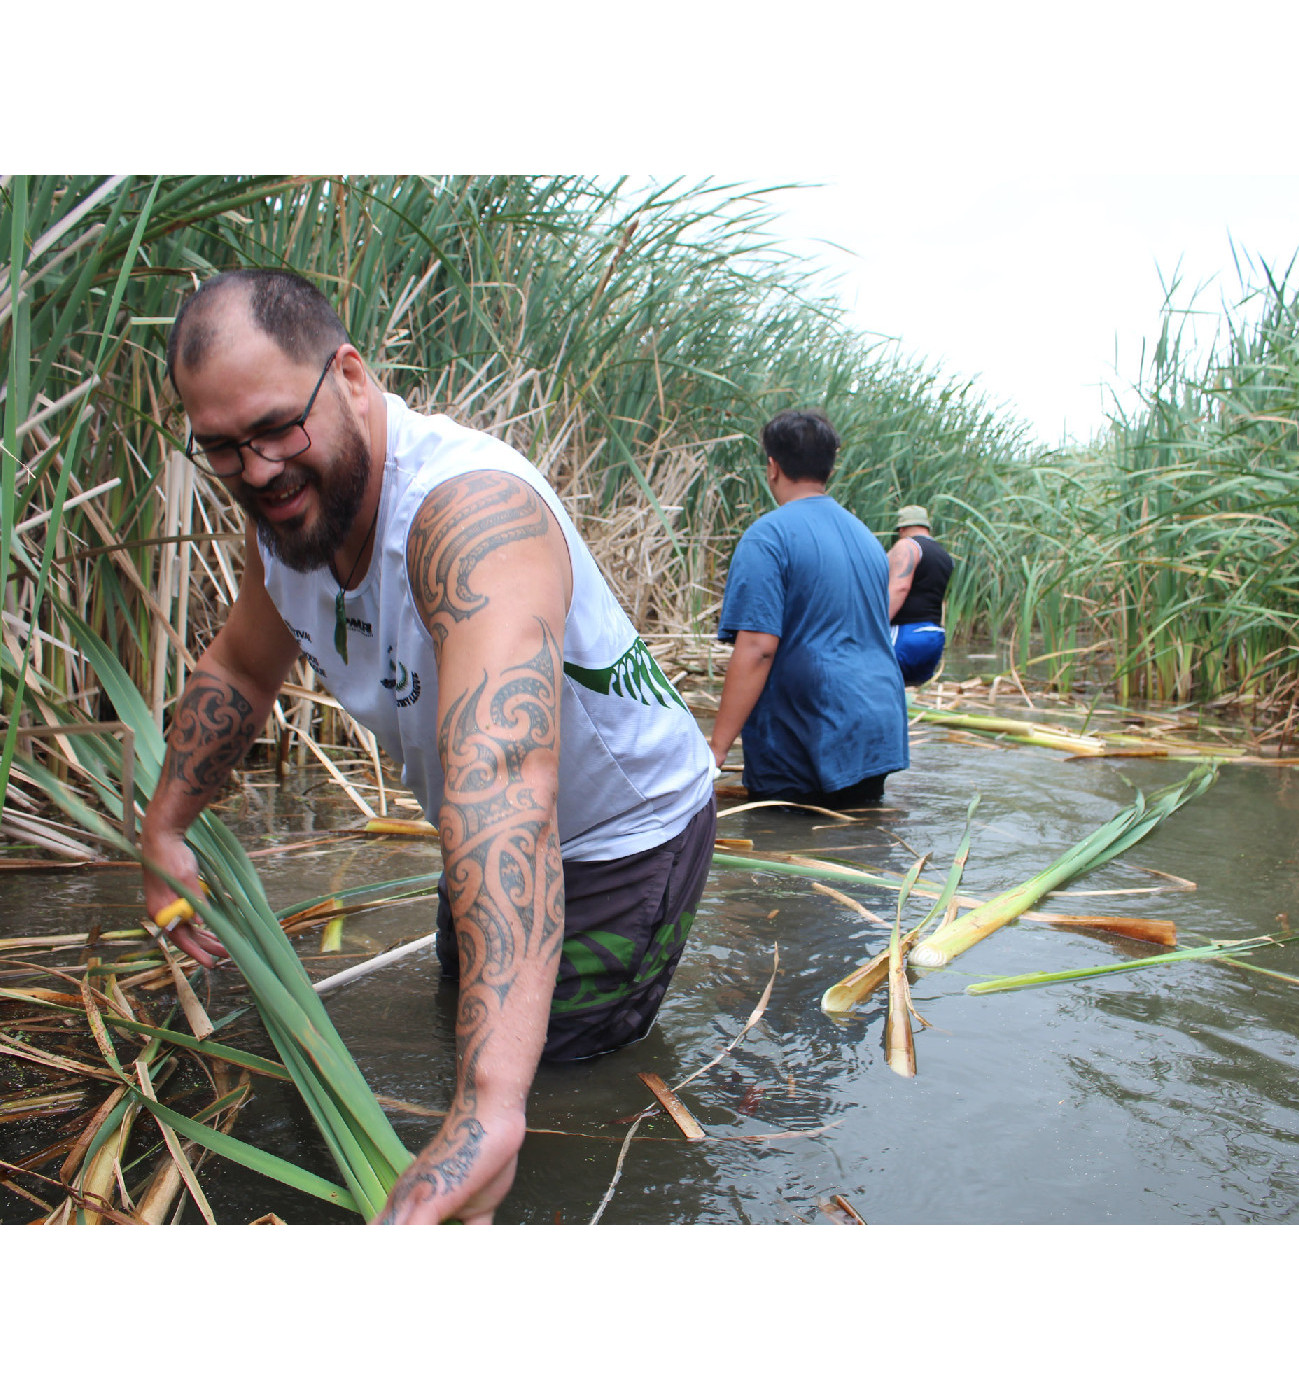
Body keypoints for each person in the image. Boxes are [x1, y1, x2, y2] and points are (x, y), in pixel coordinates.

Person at [141, 268, 717, 1225]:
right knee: (469, 1017)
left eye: (280, 427)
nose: (259, 472)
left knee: (558, 1085)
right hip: (480, 831)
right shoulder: (287, 519)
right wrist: (164, 827)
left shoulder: (468, 515)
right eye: (223, 449)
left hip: (620, 834)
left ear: (353, 377)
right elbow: (241, 667)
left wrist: (492, 1108)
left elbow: (500, 781)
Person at [709, 410, 908, 807]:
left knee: (781, 852)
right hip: (878, 721)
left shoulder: (767, 536)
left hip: (810, 727)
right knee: (857, 849)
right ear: (829, 468)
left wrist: (716, 748)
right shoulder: (867, 538)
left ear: (773, 467)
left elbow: (757, 648)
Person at [886, 504, 955, 687]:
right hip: (933, 635)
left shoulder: (907, 546)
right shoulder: (944, 555)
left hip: (905, 633)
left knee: (874, 686)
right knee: (911, 692)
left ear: (901, 529)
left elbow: (899, 587)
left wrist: (877, 623)